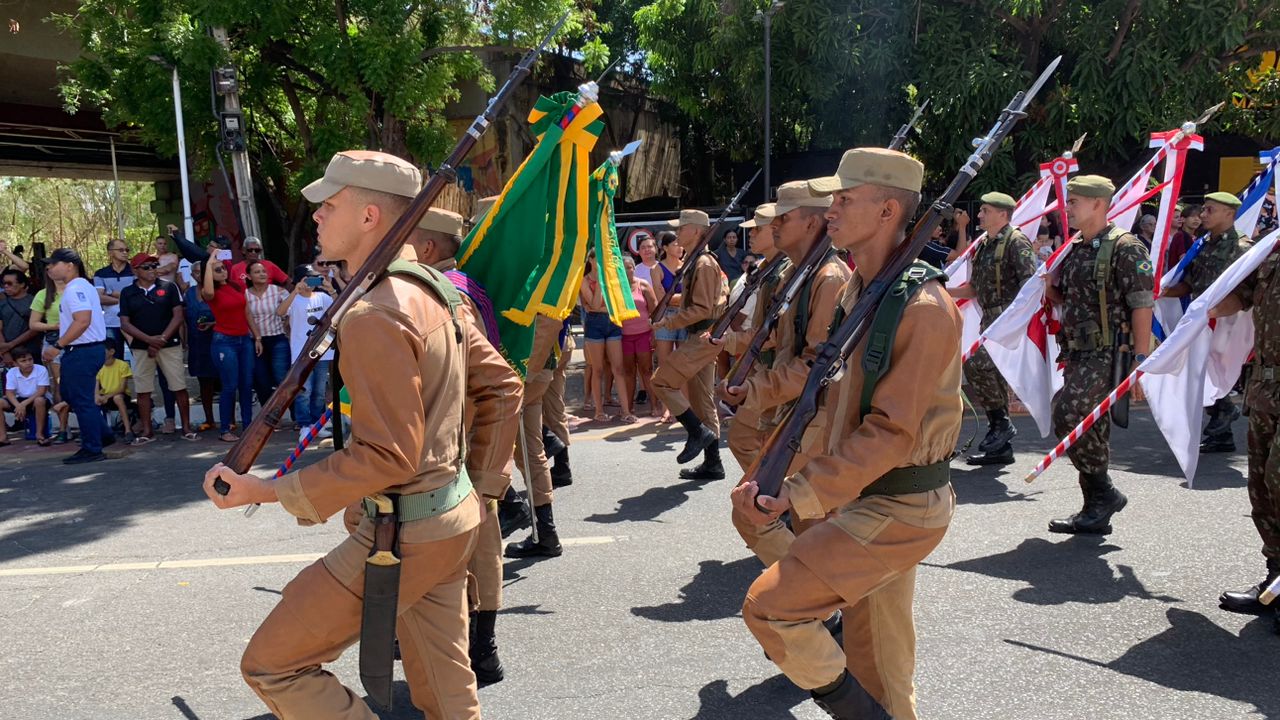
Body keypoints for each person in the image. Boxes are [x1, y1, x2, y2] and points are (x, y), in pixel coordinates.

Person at [203, 149, 521, 720]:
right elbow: (502, 387)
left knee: (273, 665)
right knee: (449, 698)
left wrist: (266, 491)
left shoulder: (377, 311)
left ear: (371, 216)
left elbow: (387, 455)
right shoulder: (435, 291)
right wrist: (484, 485)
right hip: (451, 520)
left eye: (331, 203)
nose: (318, 215)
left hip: (404, 534)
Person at [733, 147, 961, 720]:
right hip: (865, 497)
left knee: (772, 607)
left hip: (900, 506)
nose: (829, 209)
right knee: (878, 666)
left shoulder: (924, 307)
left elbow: (893, 433)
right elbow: (826, 397)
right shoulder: (864, 292)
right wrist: (770, 472)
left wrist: (802, 492)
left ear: (888, 210)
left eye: (844, 199)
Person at [409, 204, 524, 683]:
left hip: (459, 440)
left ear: (429, 248)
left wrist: (489, 472)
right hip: (469, 436)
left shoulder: (447, 296)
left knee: (473, 542)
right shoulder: (462, 286)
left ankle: (478, 648)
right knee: (479, 541)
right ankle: (477, 649)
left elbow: (491, 380)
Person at [719, 182, 848, 565]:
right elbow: (776, 341)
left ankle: (814, 599)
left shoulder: (828, 278)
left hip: (815, 419)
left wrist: (757, 387)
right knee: (811, 522)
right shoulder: (799, 273)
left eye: (784, 218)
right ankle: (824, 606)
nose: (773, 226)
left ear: (811, 223)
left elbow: (816, 363)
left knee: (754, 508)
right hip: (790, 413)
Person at [1042, 175, 1154, 534]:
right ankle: (1096, 506)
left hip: (1109, 351)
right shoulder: (1075, 247)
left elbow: (1141, 304)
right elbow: (1071, 299)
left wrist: (1140, 360)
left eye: (1074, 201)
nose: (1068, 208)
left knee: (1066, 414)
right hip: (1077, 352)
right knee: (1092, 426)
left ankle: (1102, 493)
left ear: (1098, 204)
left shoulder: (1126, 247)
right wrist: (1050, 290)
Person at [1209, 199, 1280, 625]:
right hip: (1266, 387)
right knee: (1262, 489)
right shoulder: (1270, 248)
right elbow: (1244, 295)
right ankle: (1275, 583)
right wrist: (1205, 313)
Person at [948, 191, 1038, 465]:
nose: (979, 215)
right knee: (992, 374)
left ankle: (1000, 424)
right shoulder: (984, 245)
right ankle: (1001, 446)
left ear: (1002, 214)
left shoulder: (1016, 241)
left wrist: (1015, 320)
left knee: (976, 364)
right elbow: (974, 288)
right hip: (990, 319)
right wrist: (943, 289)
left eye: (985, 210)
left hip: (1007, 322)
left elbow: (1030, 285)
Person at [1161, 193, 1248, 453]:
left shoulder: (1242, 248)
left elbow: (1246, 294)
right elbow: (1190, 283)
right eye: (1204, 210)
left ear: (1229, 214)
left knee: (1209, 373)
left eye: (1210, 210)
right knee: (1199, 372)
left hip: (1228, 323)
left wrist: (1214, 313)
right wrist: (1165, 292)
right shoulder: (1201, 245)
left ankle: (1226, 411)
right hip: (1203, 319)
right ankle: (1223, 431)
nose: (1203, 215)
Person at [651, 209, 729, 480]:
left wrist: (667, 324)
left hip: (701, 336)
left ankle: (697, 432)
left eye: (682, 228)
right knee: (702, 400)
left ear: (696, 231)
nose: (677, 233)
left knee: (660, 382)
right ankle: (713, 462)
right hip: (700, 336)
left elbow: (702, 309)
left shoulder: (704, 264)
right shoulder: (697, 260)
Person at [43, 247, 115, 464]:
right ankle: (102, 435)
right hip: (85, 349)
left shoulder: (75, 289)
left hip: (83, 349)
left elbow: (82, 320)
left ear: (69, 265)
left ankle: (92, 448)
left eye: (53, 264)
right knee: (72, 394)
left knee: (81, 400)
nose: (50, 268)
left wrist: (58, 345)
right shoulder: (82, 286)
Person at [118, 252, 194, 443]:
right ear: (135, 271)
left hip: (169, 345)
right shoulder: (128, 292)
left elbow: (178, 316)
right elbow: (125, 323)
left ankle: (186, 427)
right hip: (142, 347)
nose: (152, 270)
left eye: (154, 265)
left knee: (179, 386)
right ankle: (147, 431)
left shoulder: (169, 287)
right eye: (146, 267)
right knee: (143, 389)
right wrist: (149, 341)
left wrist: (161, 339)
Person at [202, 255, 257, 442]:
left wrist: (257, 336)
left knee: (246, 384)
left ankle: (248, 426)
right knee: (230, 385)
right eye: (217, 269)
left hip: (244, 339)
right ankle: (225, 429)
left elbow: (247, 311)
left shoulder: (235, 286)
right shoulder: (209, 292)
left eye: (224, 268)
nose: (223, 271)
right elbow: (208, 293)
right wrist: (209, 263)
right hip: (224, 341)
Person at [276, 264, 335, 436]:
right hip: (301, 351)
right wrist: (295, 291)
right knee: (303, 390)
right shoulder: (292, 298)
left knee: (319, 390)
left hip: (322, 349)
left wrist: (330, 288)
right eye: (307, 278)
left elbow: (341, 306)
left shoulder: (323, 297)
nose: (311, 282)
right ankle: (304, 425)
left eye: (314, 278)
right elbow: (280, 312)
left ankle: (317, 423)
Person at [580, 256, 632, 422]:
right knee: (598, 369)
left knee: (618, 368)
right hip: (594, 325)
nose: (600, 263)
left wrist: (600, 308)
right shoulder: (584, 280)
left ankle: (626, 411)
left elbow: (618, 304)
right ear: (590, 260)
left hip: (612, 323)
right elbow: (594, 305)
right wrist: (601, 283)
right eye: (597, 259)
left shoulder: (613, 278)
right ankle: (599, 411)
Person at [245, 260, 290, 409]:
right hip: (255, 341)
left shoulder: (278, 291)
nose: (262, 274)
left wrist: (287, 329)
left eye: (264, 271)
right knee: (261, 380)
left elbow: (290, 313)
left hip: (278, 338)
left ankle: (296, 415)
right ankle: (267, 416)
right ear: (249, 276)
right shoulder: (244, 295)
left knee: (281, 377)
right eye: (257, 272)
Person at [652, 231, 687, 420]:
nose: (680, 247)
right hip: (665, 317)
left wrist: (675, 299)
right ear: (665, 248)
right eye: (675, 244)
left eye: (681, 244)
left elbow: (691, 296)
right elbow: (661, 300)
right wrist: (681, 299)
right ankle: (667, 408)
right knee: (665, 364)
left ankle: (684, 407)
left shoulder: (687, 266)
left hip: (685, 316)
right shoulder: (657, 269)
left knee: (684, 363)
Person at [183, 261, 219, 432]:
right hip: (197, 342)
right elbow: (183, 319)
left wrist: (213, 323)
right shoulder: (188, 293)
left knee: (226, 380)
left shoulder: (217, 291)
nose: (199, 275)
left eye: (202, 272)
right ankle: (209, 419)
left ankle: (230, 419)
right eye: (196, 272)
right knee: (204, 383)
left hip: (218, 340)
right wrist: (184, 342)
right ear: (192, 275)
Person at [621, 256, 657, 418]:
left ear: (634, 268)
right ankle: (628, 408)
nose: (627, 270)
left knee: (647, 371)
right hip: (624, 337)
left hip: (643, 334)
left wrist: (654, 333)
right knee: (628, 372)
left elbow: (655, 310)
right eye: (624, 267)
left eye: (630, 267)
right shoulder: (616, 288)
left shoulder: (643, 284)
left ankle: (654, 406)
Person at [1, 348, 53, 446]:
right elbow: (9, 393)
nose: (28, 363)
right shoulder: (12, 372)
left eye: (30, 359)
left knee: (39, 401)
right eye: (23, 361)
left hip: (36, 399)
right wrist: (18, 405)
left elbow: (41, 391)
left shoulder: (41, 369)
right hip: (19, 399)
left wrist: (23, 404)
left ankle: (40, 435)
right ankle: (3, 437)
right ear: (15, 364)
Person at [93, 238, 134, 358]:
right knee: (113, 360)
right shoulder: (100, 273)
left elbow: (138, 296)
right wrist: (125, 298)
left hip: (133, 322)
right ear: (110, 252)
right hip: (110, 323)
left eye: (127, 250)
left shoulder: (135, 271)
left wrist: (111, 293)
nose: (125, 252)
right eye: (121, 250)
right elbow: (99, 299)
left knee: (140, 357)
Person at [29, 261, 64, 403]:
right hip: (54, 340)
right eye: (49, 269)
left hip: (80, 340)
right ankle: (62, 424)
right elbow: (33, 324)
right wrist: (54, 326)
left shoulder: (77, 289)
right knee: (60, 382)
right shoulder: (42, 294)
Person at [1, 269, 42, 366]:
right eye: (3, 284)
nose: (6, 286)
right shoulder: (2, 304)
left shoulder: (35, 301)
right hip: (7, 353)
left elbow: (35, 328)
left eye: (9, 283)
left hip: (31, 352)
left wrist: (11, 345)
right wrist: (5, 351)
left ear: (22, 284)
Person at [94, 343, 134, 442]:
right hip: (105, 395)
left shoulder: (122, 365)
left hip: (121, 395)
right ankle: (95, 432)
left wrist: (107, 396)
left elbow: (122, 388)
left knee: (118, 398)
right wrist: (97, 396)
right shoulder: (98, 366)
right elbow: (96, 385)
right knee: (93, 401)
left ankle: (128, 430)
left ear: (112, 352)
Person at [1166, 203, 1202, 267]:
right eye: (1192, 216)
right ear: (1182, 219)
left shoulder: (1195, 237)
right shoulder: (1180, 235)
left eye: (1199, 217)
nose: (1196, 219)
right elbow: (1184, 260)